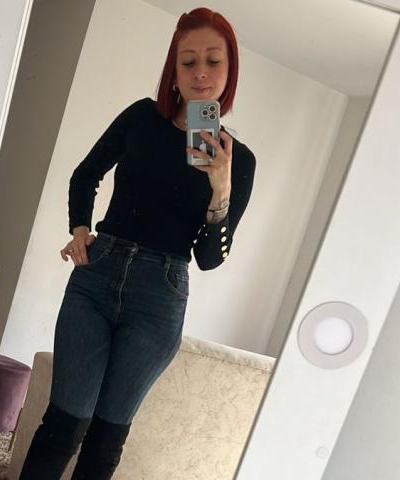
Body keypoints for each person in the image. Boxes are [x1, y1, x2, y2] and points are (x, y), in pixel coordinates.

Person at [18, 7, 256, 480]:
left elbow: (210, 258)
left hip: (159, 299)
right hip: (97, 276)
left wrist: (221, 188)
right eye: (188, 61)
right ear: (174, 68)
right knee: (64, 423)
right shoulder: (142, 117)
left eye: (214, 61)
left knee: (106, 439)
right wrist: (80, 229)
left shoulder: (239, 160)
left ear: (230, 70)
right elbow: (85, 174)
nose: (201, 72)